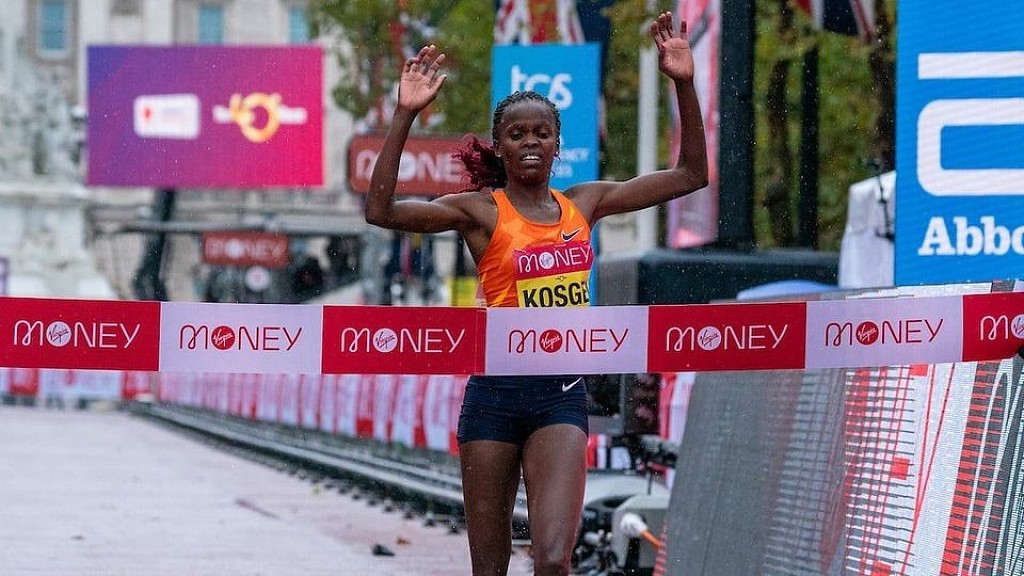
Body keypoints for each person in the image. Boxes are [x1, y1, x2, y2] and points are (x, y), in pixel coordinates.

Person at [365, 11, 707, 576]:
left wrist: (684, 84)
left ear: (557, 145)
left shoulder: (585, 204)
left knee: (552, 560)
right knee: (490, 568)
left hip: (560, 394)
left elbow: (691, 175)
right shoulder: (480, 211)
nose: (529, 142)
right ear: (500, 147)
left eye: (541, 134)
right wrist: (405, 114)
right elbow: (381, 211)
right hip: (493, 397)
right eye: (517, 134)